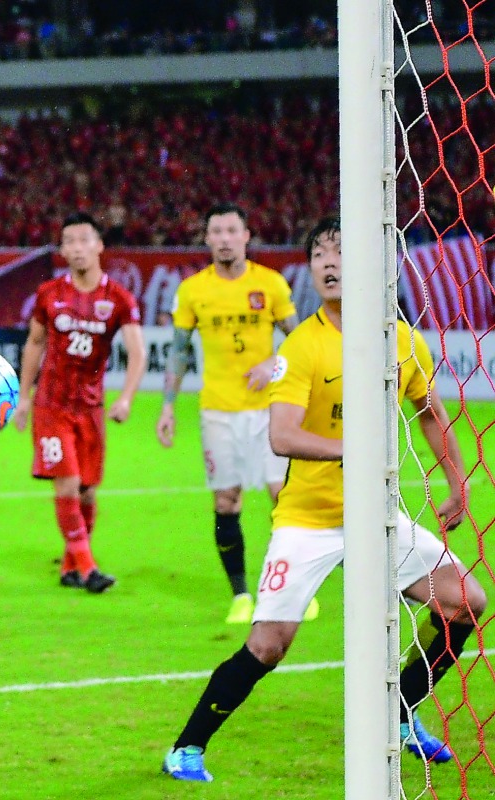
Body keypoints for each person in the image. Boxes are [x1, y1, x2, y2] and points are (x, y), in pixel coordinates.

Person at [162, 217, 487, 783]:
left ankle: (403, 713)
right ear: (311, 268)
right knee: (268, 646)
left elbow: (431, 414)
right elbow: (282, 436)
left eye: (343, 251)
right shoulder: (303, 344)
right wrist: (353, 449)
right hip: (309, 521)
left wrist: (456, 480)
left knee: (467, 602)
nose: (331, 263)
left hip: (380, 519)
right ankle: (186, 748)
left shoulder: (404, 341)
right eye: (320, 254)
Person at [155, 202, 306, 624]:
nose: (223, 238)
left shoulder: (271, 284)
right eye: (215, 231)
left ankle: (291, 590)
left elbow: (299, 344)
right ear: (207, 239)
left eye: (231, 230)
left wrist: (271, 366)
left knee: (283, 498)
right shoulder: (193, 291)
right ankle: (241, 595)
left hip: (268, 412)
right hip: (217, 412)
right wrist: (168, 407)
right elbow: (180, 352)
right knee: (226, 501)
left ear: (245, 235)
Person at [12, 211, 146, 593]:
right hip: (52, 406)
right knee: (67, 484)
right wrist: (24, 398)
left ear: (99, 245)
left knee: (88, 490)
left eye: (83, 239)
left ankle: (70, 565)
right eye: (68, 241)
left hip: (91, 410)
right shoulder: (49, 294)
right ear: (62, 249)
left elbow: (137, 352)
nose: (76, 248)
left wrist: (126, 399)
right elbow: (35, 344)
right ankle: (88, 568)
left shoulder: (118, 298)